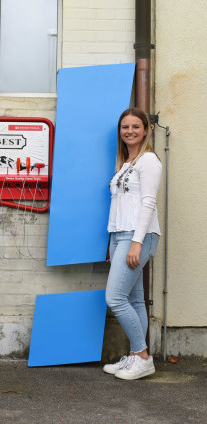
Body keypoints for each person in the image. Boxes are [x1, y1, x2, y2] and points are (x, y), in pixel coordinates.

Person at [103, 107, 162, 380]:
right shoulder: (126, 163)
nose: (129, 131)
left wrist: (136, 243)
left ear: (146, 130)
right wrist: (112, 242)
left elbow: (148, 203)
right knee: (135, 298)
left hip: (138, 235)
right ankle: (136, 358)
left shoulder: (148, 161)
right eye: (125, 127)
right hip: (120, 235)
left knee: (114, 297)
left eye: (135, 126)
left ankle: (142, 356)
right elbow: (120, 205)